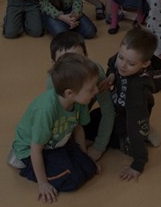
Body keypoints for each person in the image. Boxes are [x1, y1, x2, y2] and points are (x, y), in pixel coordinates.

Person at [8, 53, 100, 203]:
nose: (96, 91)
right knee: (72, 181)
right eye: (91, 89)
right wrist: (43, 184)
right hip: (32, 149)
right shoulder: (46, 110)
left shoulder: (79, 102)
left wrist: (84, 157)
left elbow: (78, 128)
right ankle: (22, 162)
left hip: (57, 142)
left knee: (89, 168)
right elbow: (36, 148)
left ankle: (63, 159)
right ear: (69, 93)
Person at [91, 27, 159, 181]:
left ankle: (144, 132)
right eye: (121, 57)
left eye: (131, 63)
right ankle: (145, 129)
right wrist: (111, 75)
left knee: (131, 133)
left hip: (130, 118)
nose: (122, 65)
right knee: (91, 122)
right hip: (118, 109)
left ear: (145, 64)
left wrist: (138, 164)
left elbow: (134, 127)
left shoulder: (136, 93)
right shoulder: (124, 60)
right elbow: (112, 64)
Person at [47, 32, 115, 161]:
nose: (73, 69)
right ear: (54, 65)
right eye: (64, 62)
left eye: (77, 59)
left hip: (82, 115)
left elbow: (108, 112)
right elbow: (56, 118)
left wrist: (99, 147)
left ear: (86, 57)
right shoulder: (53, 83)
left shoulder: (97, 74)